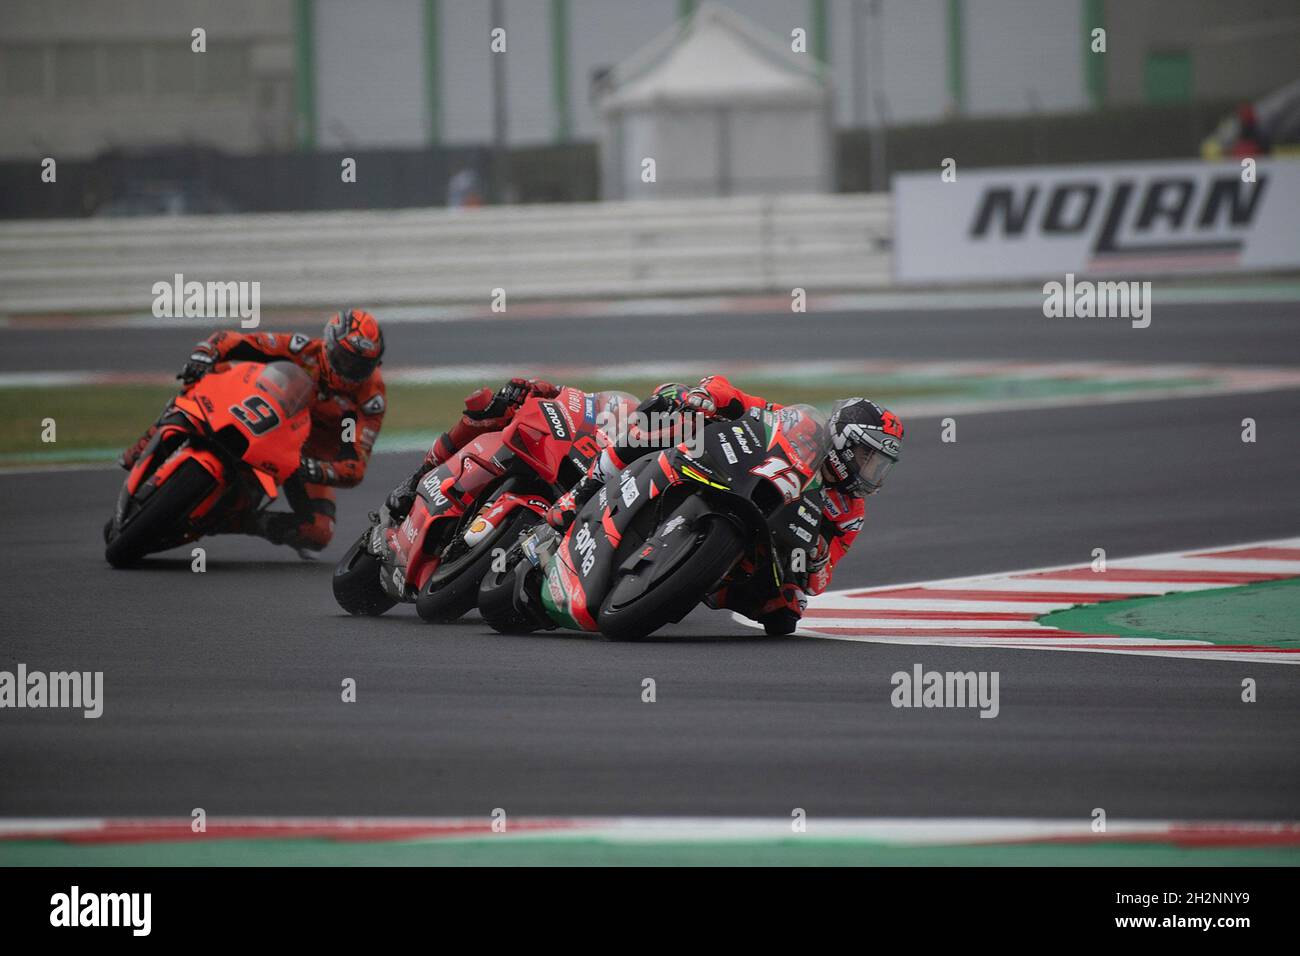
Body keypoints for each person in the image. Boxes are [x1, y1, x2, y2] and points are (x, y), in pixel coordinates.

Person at [545, 375, 904, 632]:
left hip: (771, 544)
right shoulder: (802, 424)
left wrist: (819, 556)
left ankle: (688, 579)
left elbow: (820, 581)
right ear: (842, 438)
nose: (870, 470)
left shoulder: (850, 511)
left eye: (879, 465)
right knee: (666, 412)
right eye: (866, 456)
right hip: (728, 472)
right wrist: (708, 396)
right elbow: (736, 396)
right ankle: (579, 493)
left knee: (787, 611)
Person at [119, 308, 387, 554]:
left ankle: (236, 521)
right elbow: (235, 340)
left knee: (318, 532)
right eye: (344, 359)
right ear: (328, 345)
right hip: (264, 419)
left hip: (304, 458)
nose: (350, 372)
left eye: (361, 366)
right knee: (208, 374)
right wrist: (205, 353)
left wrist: (317, 469)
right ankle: (145, 443)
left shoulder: (369, 400)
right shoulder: (302, 350)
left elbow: (355, 467)